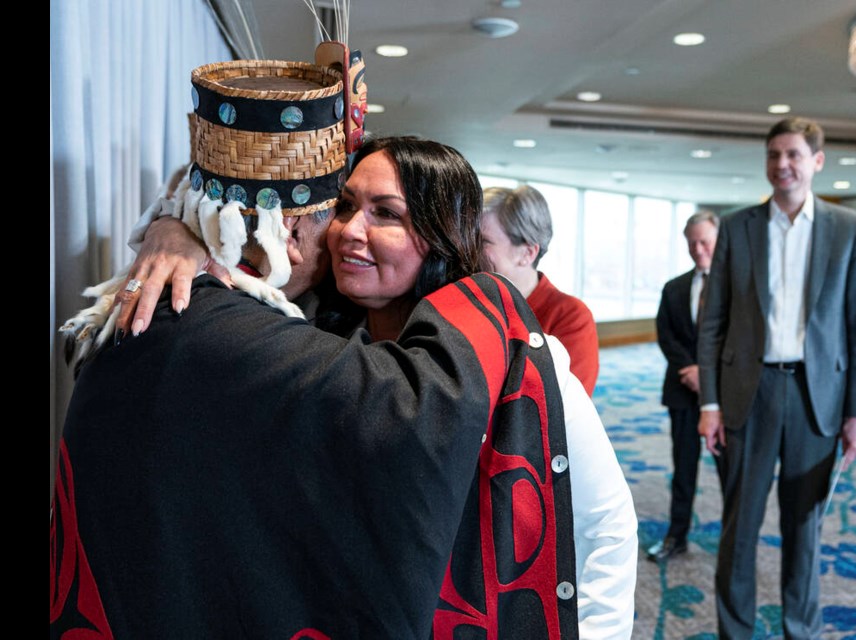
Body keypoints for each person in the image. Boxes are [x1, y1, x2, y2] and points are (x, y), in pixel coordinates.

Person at [56, 134, 638, 638]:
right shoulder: (307, 327)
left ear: (439, 234)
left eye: (386, 214)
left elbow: (604, 524)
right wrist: (174, 233)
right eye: (344, 207)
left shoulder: (517, 361)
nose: (349, 232)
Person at [697, 116, 856, 639]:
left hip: (816, 398)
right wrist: (709, 404)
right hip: (745, 397)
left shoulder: (848, 229)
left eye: (794, 155)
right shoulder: (737, 227)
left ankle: (801, 630)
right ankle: (736, 631)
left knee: (805, 529)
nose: (783, 165)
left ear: (816, 162)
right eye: (774, 154)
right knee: (739, 526)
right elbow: (714, 322)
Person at [645, 210, 721, 562]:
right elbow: (666, 335)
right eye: (692, 243)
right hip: (682, 389)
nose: (699, 249)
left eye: (705, 241)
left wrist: (707, 375)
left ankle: (734, 541)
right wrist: (688, 369)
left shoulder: (737, 286)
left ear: (718, 240)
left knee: (730, 471)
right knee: (684, 467)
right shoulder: (674, 287)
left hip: (724, 395)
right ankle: (677, 536)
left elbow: (739, 341)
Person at [481, 186, 600, 395]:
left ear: (527, 253)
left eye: (482, 242)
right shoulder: (465, 301)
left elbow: (562, 407)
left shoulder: (570, 316)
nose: (467, 249)